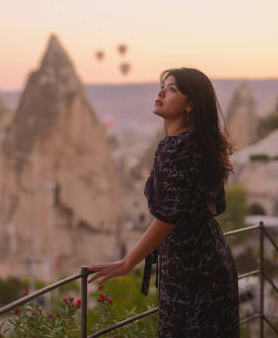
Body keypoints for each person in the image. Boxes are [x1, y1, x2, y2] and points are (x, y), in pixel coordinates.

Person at [88, 67, 239, 337]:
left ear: (190, 104)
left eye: (172, 89)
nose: (160, 93)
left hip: (189, 269)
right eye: (163, 86)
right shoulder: (200, 144)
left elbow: (169, 217)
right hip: (212, 257)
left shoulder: (176, 148)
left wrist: (127, 262)